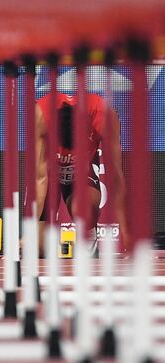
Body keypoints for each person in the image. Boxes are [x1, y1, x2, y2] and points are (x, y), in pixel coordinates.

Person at [35, 92, 129, 257]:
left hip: (82, 171)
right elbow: (39, 178)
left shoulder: (104, 115)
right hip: (49, 172)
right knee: (37, 250)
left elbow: (117, 178)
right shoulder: (41, 114)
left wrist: (128, 238)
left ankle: (89, 240)